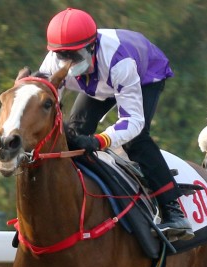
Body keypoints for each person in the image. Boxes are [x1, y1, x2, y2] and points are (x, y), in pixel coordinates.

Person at [38, 8, 192, 241]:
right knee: (73, 134)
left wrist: (99, 141)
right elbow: (47, 107)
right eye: (63, 56)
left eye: (74, 56)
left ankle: (173, 210)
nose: (68, 64)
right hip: (99, 80)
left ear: (92, 46)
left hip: (144, 73)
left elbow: (133, 121)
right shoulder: (53, 62)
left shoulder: (120, 62)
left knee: (134, 140)